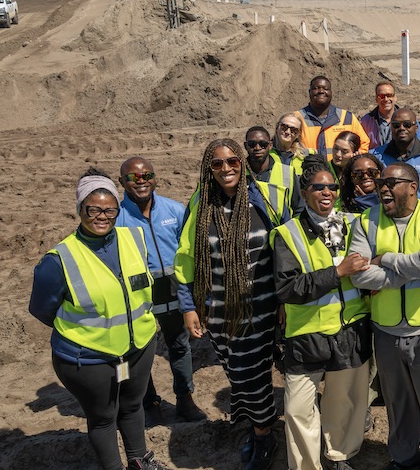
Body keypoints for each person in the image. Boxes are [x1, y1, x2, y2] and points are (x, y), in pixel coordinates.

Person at [29, 168, 169, 470]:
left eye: (110, 209)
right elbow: (42, 310)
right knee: (104, 417)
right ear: (80, 209)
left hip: (139, 346)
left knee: (132, 407)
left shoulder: (135, 238)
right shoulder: (59, 260)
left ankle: (140, 462)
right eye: (93, 209)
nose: (102, 216)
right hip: (89, 359)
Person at [175, 139, 285, 470]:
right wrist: (188, 306)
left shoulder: (261, 202)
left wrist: (284, 300)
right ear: (208, 170)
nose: (227, 169)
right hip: (218, 313)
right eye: (218, 164)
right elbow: (185, 261)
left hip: (259, 309)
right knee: (238, 375)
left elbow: (283, 253)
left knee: (251, 375)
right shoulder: (199, 207)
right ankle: (255, 424)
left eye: (233, 162)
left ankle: (265, 434)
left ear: (242, 163)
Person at [348, 162, 420, 470]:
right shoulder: (366, 221)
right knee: (398, 404)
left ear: (413, 186)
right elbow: (358, 275)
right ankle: (404, 457)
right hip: (385, 330)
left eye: (390, 181)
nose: (382, 186)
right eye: (380, 181)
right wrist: (407, 272)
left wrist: (386, 260)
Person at [271, 155, 373, 470]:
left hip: (349, 330)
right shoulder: (287, 234)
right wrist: (338, 271)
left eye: (331, 187)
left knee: (343, 402)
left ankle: (339, 456)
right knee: (299, 409)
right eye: (318, 187)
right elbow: (289, 288)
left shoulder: (351, 224)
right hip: (306, 335)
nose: (326, 193)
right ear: (304, 193)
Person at [115, 157, 207, 425]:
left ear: (155, 178)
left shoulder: (174, 210)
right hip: (138, 293)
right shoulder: (118, 218)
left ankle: (184, 399)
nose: (141, 182)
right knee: (140, 351)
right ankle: (149, 402)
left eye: (146, 176)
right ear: (122, 182)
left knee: (179, 345)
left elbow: (188, 252)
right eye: (133, 177)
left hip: (174, 289)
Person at [372, 107, 420, 204]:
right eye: (396, 125)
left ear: (416, 128)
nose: (402, 128)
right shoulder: (375, 157)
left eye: (407, 125)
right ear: (391, 127)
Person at [295, 75, 370, 160]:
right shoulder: (296, 118)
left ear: (331, 92)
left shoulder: (347, 118)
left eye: (325, 88)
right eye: (316, 88)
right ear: (309, 92)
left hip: (339, 171)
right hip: (308, 170)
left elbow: (364, 143)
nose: (321, 91)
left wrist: (354, 161)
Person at [246, 125, 295, 224]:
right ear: (245, 146)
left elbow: (298, 208)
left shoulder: (287, 172)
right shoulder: (237, 173)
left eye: (263, 144)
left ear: (270, 145)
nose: (257, 148)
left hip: (279, 233)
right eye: (252, 144)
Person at [359, 81, 398, 149]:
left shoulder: (407, 119)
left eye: (389, 95)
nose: (386, 99)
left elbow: (416, 146)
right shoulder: (366, 121)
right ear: (376, 99)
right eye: (381, 96)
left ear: (395, 98)